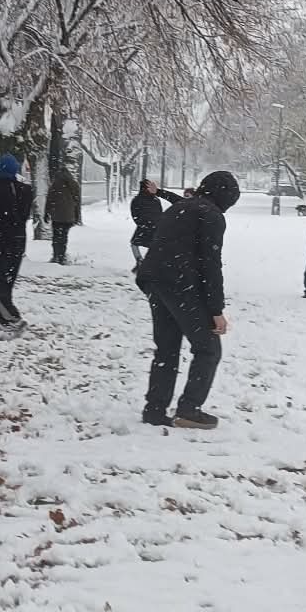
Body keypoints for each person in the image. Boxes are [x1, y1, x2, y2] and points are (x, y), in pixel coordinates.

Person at [134, 170, 240, 429]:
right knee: (208, 349)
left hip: (155, 280)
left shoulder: (181, 207)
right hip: (180, 284)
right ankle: (189, 410)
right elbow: (211, 264)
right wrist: (216, 310)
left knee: (167, 348)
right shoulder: (211, 215)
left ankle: (154, 410)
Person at [0, 154, 34, 329]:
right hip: (19, 241)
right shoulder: (26, 191)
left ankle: (13, 318)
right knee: (7, 282)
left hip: (1, 242)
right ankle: (3, 321)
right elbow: (24, 215)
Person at [129, 178, 173, 267]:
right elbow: (159, 212)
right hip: (156, 226)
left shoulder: (137, 200)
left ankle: (140, 261)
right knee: (154, 246)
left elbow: (134, 213)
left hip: (143, 226)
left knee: (134, 243)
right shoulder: (156, 199)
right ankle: (152, 263)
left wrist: (141, 224)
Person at [46, 162, 82, 264]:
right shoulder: (74, 184)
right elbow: (77, 201)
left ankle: (56, 255)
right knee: (64, 236)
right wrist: (77, 215)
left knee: (56, 236)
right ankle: (61, 256)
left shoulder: (55, 185)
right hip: (68, 216)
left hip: (56, 216)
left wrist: (46, 212)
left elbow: (49, 199)